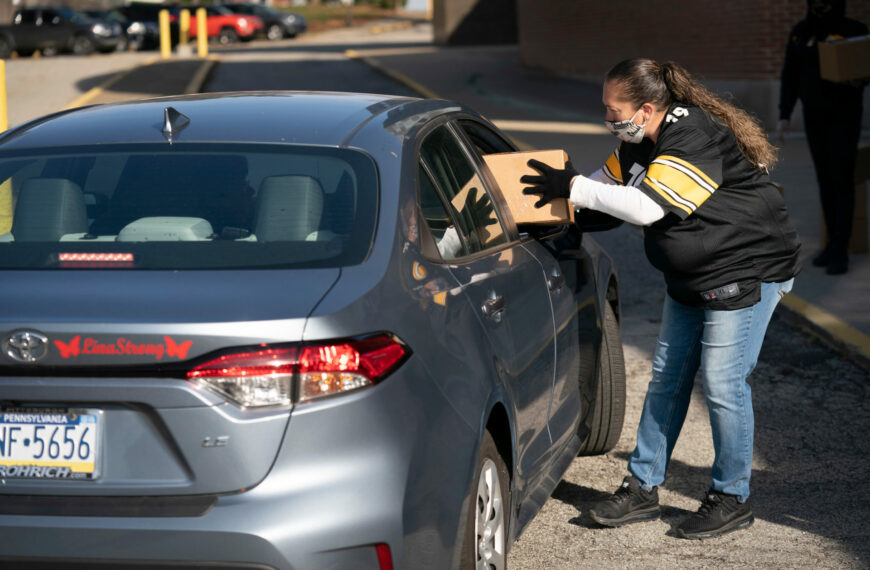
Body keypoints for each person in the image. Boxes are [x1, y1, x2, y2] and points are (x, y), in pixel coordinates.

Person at [521, 58, 801, 540]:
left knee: (722, 385)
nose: (608, 118)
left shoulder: (693, 135)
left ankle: (731, 497)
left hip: (745, 271)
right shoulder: (638, 142)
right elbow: (604, 192)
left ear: (646, 109)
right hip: (691, 277)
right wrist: (552, 210)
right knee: (667, 379)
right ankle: (642, 488)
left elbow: (647, 208)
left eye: (614, 110)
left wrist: (574, 188)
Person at [779, 0, 868, 275]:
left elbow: (863, 69)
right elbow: (790, 74)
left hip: (844, 117)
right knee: (825, 178)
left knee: (841, 178)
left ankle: (841, 248)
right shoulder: (801, 32)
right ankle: (831, 243)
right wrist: (785, 113)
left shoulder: (854, 30)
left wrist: (857, 79)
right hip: (814, 117)